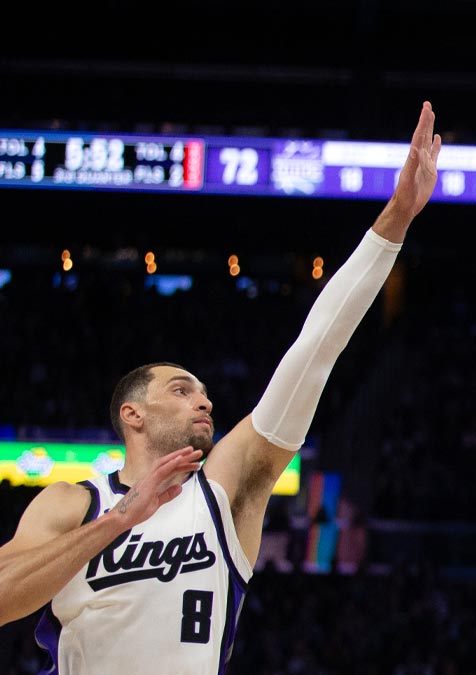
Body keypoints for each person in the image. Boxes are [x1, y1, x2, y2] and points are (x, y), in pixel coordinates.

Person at [0, 101, 442, 674]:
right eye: (182, 390)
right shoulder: (75, 503)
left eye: (204, 391)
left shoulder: (224, 491)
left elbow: (313, 352)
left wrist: (396, 220)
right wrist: (116, 522)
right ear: (132, 414)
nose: (204, 400)